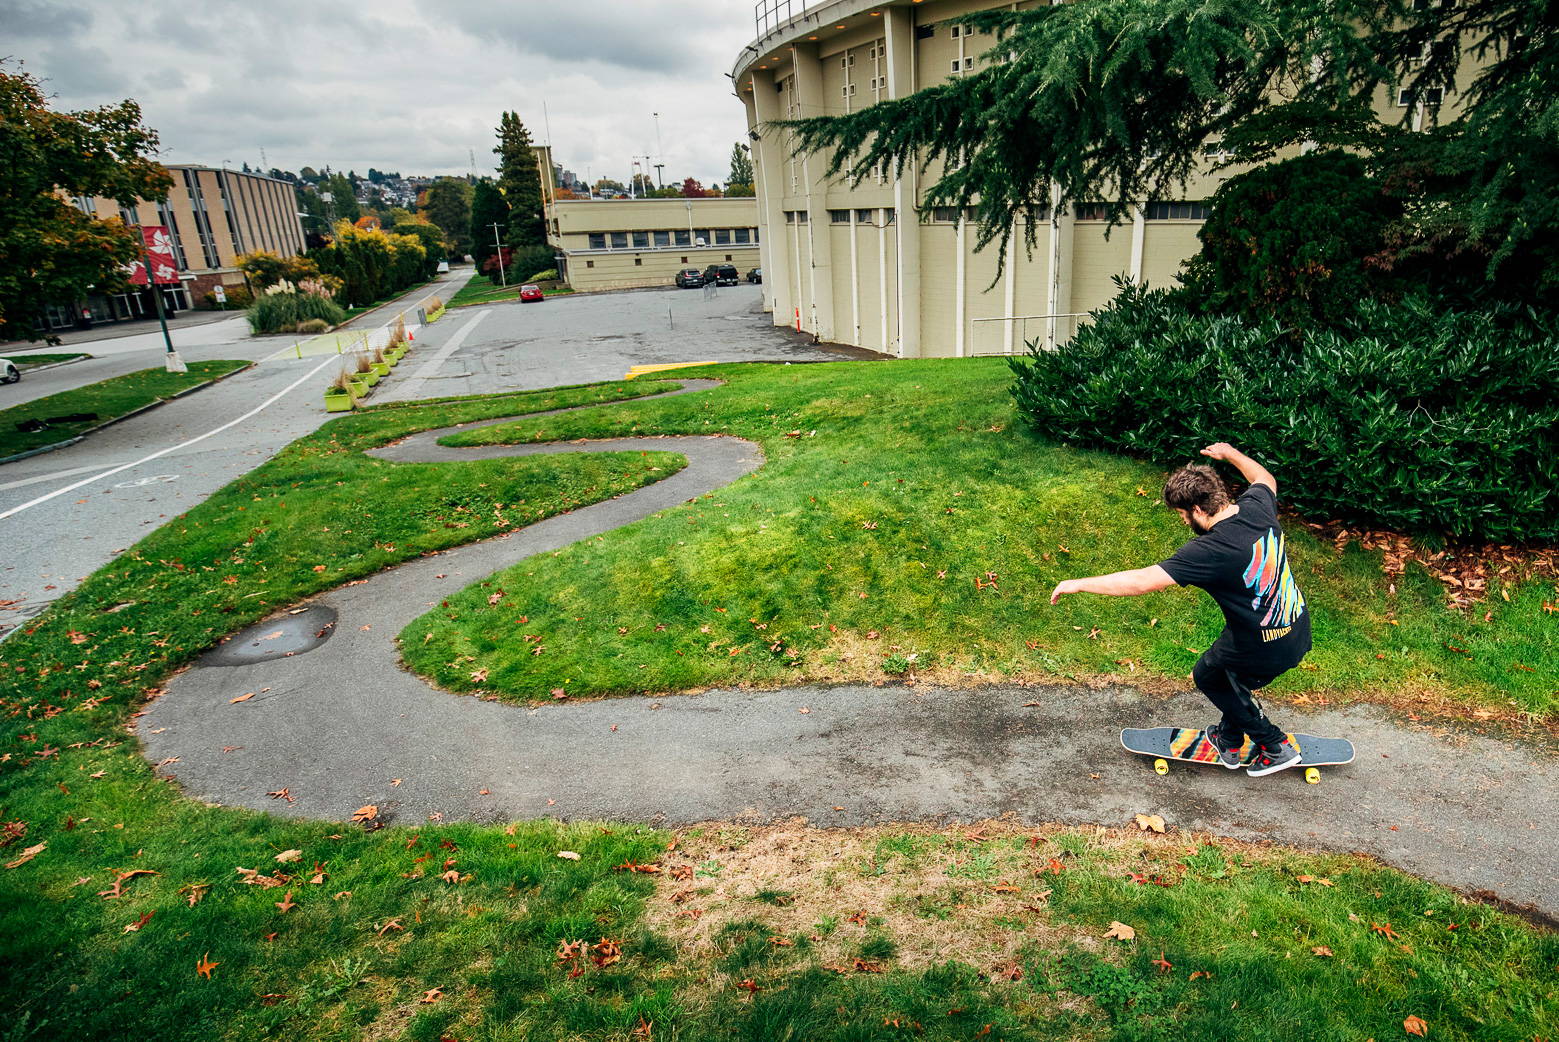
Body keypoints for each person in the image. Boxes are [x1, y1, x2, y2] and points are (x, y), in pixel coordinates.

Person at [1049, 443, 1311, 776]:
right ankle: (1229, 741)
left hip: (1263, 644)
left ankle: (1274, 746)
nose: (1184, 520)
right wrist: (1231, 454)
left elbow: (1141, 581)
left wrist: (1078, 583)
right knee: (1231, 681)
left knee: (1209, 675)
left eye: (1183, 514)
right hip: (1296, 628)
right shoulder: (1257, 507)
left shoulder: (1212, 550)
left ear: (1198, 509)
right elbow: (1264, 477)